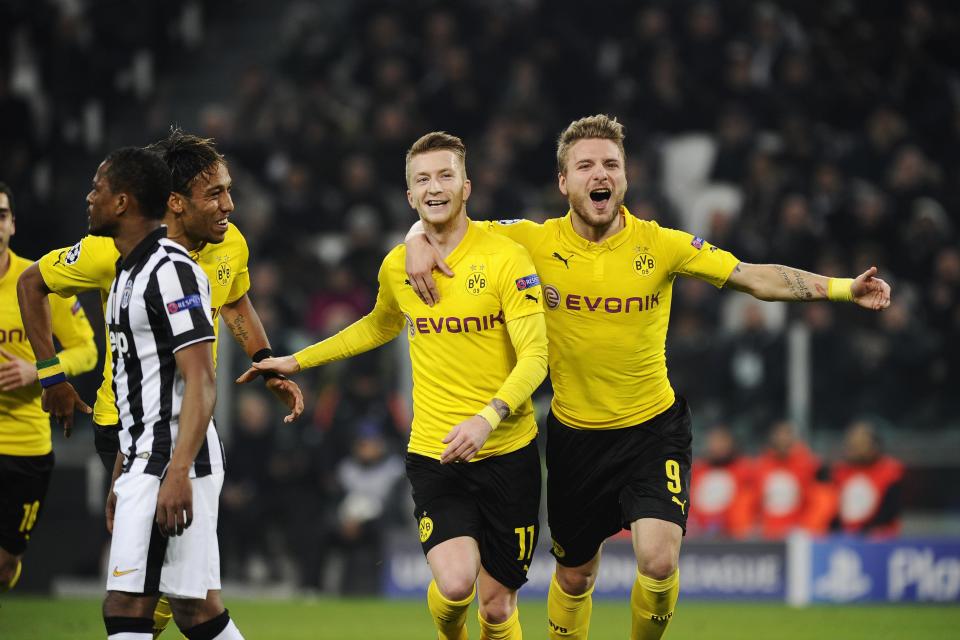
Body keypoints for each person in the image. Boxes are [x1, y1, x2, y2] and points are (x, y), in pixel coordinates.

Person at [404, 114, 892, 640]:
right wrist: (414, 235)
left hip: (652, 430)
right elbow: (450, 220)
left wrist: (844, 289)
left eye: (611, 163)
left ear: (626, 177)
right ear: (563, 182)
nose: (601, 174)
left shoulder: (661, 244)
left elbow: (754, 276)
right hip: (576, 438)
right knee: (574, 574)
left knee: (658, 562)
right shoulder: (529, 242)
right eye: (585, 164)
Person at [240, 132, 548, 640]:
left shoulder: (506, 259)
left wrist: (487, 417)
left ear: (466, 186)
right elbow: (377, 325)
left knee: (496, 607)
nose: (434, 187)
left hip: (508, 450)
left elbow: (536, 355)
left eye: (446, 175)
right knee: (454, 586)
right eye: (422, 179)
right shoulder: (397, 266)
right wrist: (299, 360)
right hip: (435, 452)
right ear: (409, 196)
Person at [16, 129, 303, 634]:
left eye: (227, 191)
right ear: (174, 202)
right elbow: (32, 282)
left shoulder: (192, 261)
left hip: (172, 445)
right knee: (170, 604)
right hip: (131, 432)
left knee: (149, 604)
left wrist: (263, 359)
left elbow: (225, 320)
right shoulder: (117, 259)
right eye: (215, 193)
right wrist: (52, 374)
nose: (230, 206)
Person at [92, 146, 244, 639]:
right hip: (146, 457)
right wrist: (122, 469)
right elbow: (137, 384)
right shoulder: (127, 273)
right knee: (193, 611)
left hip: (175, 460)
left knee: (127, 606)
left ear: (122, 203)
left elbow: (200, 379)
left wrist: (176, 471)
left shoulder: (170, 271)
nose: (89, 197)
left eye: (98, 188)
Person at [0, 182, 97, 592]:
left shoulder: (37, 281)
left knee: (4, 565)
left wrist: (40, 370)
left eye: (1, 215)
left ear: (13, 225)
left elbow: (87, 349)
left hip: (26, 446)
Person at [754, 419, 835, 539]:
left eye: (786, 434)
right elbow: (751, 500)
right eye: (779, 435)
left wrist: (807, 529)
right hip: (766, 533)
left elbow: (822, 501)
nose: (782, 439)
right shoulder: (760, 466)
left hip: (798, 533)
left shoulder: (809, 465)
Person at [831, 419, 904, 538]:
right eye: (851, 444)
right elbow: (832, 508)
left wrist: (862, 534)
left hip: (878, 538)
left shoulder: (890, 471)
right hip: (843, 536)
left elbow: (888, 512)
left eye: (860, 444)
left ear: (874, 446)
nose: (853, 449)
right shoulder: (839, 471)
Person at [687, 425, 755, 539]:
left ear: (730, 443)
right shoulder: (697, 471)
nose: (717, 447)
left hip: (735, 533)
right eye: (713, 443)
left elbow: (747, 502)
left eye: (721, 442)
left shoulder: (744, 470)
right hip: (700, 534)